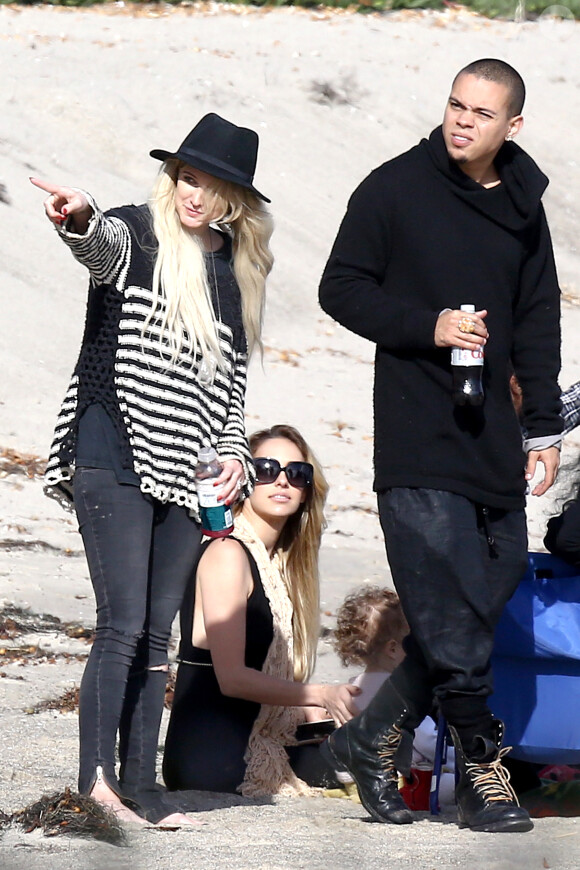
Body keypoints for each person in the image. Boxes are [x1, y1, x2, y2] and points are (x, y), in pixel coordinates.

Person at [318, 59, 563, 833]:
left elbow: (538, 324)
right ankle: (486, 775)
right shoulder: (394, 187)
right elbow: (341, 286)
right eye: (455, 106)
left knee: (491, 588)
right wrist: (427, 327)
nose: (462, 121)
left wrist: (546, 428)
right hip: (417, 439)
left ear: (511, 125)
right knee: (453, 610)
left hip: (492, 442)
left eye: (480, 113)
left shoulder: (526, 205)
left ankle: (371, 734)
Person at [30, 113, 273, 825]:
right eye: (186, 178)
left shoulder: (233, 269)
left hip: (185, 471)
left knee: (159, 632)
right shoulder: (136, 233)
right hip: (113, 452)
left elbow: (229, 393)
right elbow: (96, 247)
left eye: (211, 185)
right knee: (122, 623)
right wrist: (75, 217)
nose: (193, 195)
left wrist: (234, 457)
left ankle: (142, 784)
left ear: (235, 199)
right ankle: (96, 782)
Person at [162, 424, 360, 796]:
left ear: (306, 492)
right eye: (266, 470)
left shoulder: (278, 566)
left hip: (257, 738)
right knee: (370, 764)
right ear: (244, 480)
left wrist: (309, 711)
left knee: (380, 750)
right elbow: (232, 678)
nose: (282, 482)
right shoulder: (228, 553)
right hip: (214, 757)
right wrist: (319, 695)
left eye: (297, 474)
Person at [331, 586, 456, 810]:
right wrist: (461, 756)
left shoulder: (353, 686)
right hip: (402, 781)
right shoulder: (400, 695)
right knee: (457, 782)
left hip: (355, 778)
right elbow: (427, 741)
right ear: (393, 649)